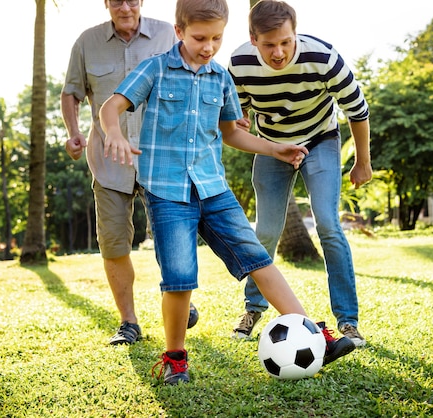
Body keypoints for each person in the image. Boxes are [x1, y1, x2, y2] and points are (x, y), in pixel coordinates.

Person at [99, 0, 355, 385]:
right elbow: (111, 106)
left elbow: (232, 131)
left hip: (213, 188)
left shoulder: (220, 77)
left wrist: (274, 148)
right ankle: (175, 359)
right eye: (200, 38)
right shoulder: (154, 69)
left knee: (258, 257)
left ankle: (315, 336)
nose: (208, 46)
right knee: (181, 276)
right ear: (180, 31)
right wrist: (115, 133)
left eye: (217, 38)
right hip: (167, 192)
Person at [228, 0, 372, 347]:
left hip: (320, 139)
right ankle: (253, 309)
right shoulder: (239, 64)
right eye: (269, 44)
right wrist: (239, 119)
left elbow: (357, 109)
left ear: (296, 33)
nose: (278, 52)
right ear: (253, 39)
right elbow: (234, 116)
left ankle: (348, 322)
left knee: (328, 223)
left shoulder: (324, 58)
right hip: (272, 145)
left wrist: (362, 162)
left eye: (286, 42)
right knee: (264, 232)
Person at [60, 0, 198, 346]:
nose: (125, 6)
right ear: (106, 3)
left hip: (161, 156)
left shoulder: (168, 33)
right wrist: (73, 132)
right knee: (113, 242)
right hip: (109, 160)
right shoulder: (86, 43)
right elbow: (71, 93)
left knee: (171, 235)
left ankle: (182, 300)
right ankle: (128, 322)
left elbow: (194, 79)